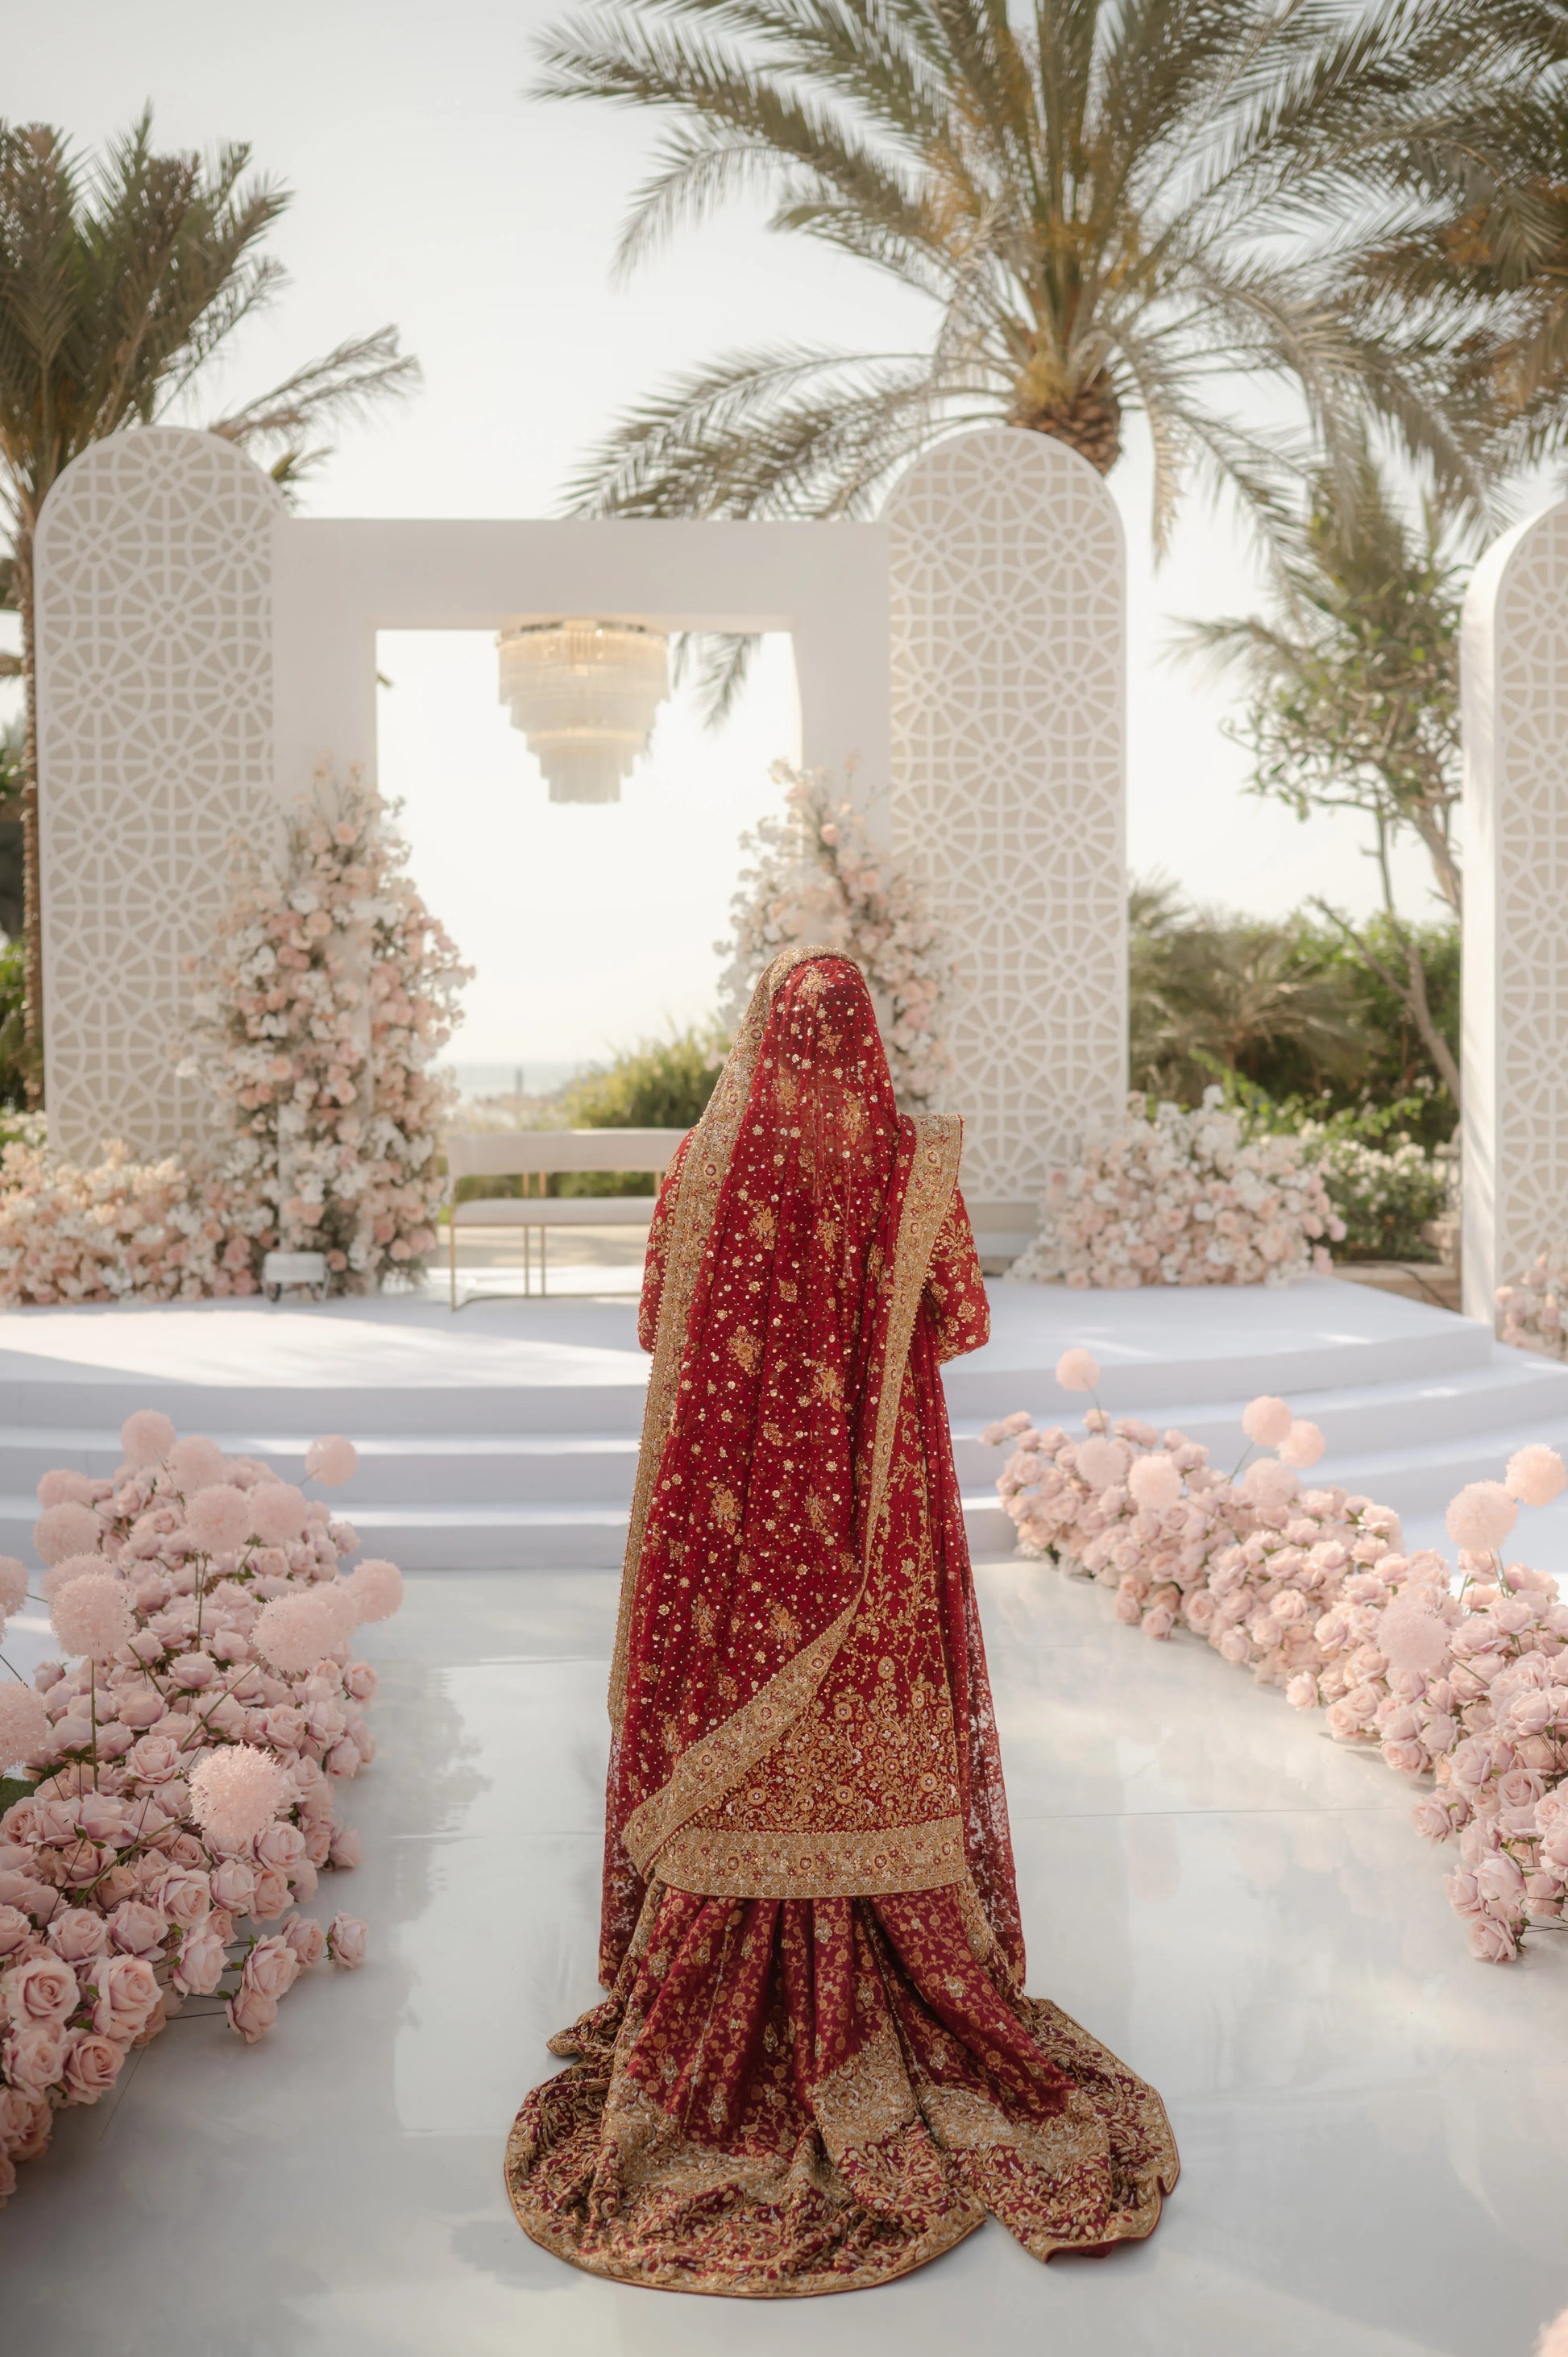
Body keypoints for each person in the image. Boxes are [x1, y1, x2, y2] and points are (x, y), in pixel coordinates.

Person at [506, 946, 1176, 2296]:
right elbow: (959, 1314)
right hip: (875, 1522)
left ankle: (716, 1976)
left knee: (741, 1747)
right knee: (866, 1727)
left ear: (760, 1028)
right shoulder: (907, 1162)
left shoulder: (704, 1161)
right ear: (866, 1035)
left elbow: (658, 1323)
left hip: (745, 1540)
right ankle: (905, 1964)